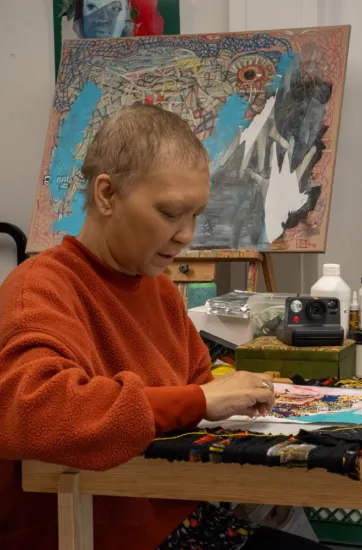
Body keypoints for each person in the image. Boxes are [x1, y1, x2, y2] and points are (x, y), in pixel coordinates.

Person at [0, 105, 330, 550]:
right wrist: (199, 399)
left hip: (176, 518)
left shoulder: (159, 290)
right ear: (106, 195)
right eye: (171, 213)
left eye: (195, 215)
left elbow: (198, 393)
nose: (186, 235)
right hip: (91, 534)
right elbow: (35, 414)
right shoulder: (40, 289)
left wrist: (231, 394)